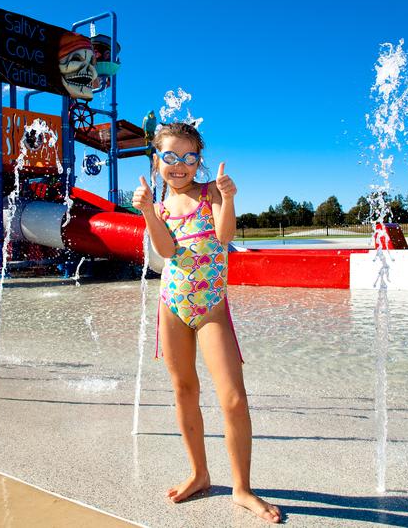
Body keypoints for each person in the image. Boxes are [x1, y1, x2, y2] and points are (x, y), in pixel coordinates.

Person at [132, 122, 283, 524]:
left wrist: (228, 198)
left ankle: (242, 488)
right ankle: (199, 473)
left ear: (199, 161)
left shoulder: (210, 193)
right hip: (173, 307)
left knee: (233, 397)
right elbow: (166, 252)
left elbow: (224, 235)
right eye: (170, 156)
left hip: (211, 308)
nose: (179, 164)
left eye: (189, 157)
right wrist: (146, 211)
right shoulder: (160, 207)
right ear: (157, 161)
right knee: (184, 390)